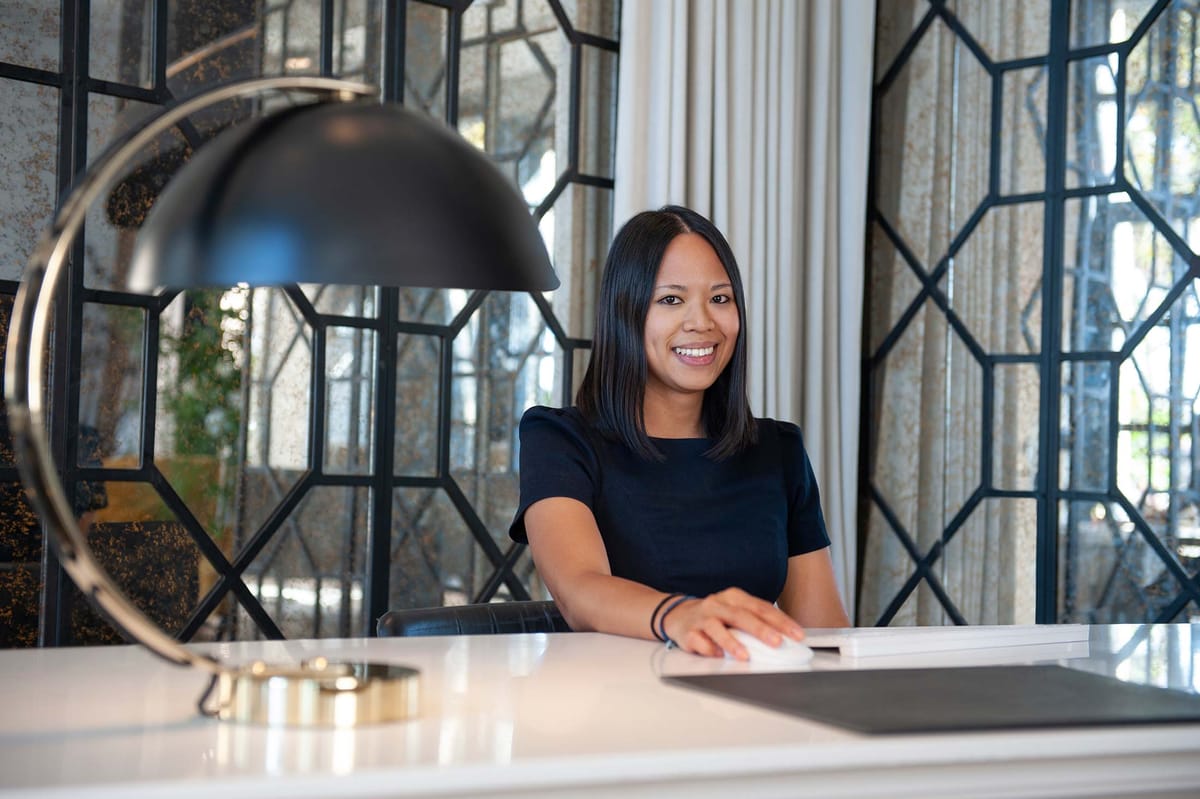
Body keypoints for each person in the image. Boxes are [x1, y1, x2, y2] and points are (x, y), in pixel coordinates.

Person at [509, 205, 850, 660]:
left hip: (744, 698)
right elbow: (579, 591)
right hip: (613, 697)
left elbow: (825, 637)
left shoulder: (778, 451)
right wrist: (682, 615)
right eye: (671, 300)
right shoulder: (559, 439)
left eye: (720, 299)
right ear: (626, 312)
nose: (702, 322)